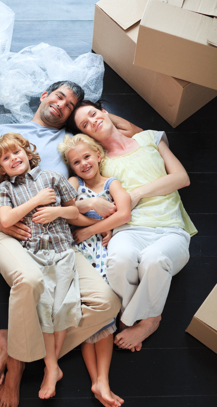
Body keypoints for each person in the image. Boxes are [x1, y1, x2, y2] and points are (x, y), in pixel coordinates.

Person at [0, 81, 134, 407]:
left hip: (56, 237)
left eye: (71, 104)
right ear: (45, 96)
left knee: (107, 304)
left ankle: (13, 345)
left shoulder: (68, 144)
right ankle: (16, 371)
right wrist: (3, 219)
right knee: (27, 280)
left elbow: (126, 132)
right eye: (60, 96)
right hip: (8, 231)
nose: (63, 104)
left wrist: (94, 210)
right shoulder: (4, 132)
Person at [66, 99, 197, 353]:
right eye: (85, 124)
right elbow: (80, 193)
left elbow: (182, 178)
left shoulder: (150, 138)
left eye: (94, 114)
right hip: (128, 229)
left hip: (170, 229)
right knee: (118, 260)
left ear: (105, 112)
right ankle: (138, 310)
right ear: (86, 135)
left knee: (154, 259)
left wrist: (136, 194)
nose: (93, 121)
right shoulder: (97, 161)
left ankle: (146, 320)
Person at [0, 132, 82, 399]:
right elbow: (5, 220)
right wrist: (38, 201)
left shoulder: (52, 177)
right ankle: (52, 367)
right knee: (43, 309)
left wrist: (57, 211)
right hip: (35, 255)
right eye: (6, 158)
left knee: (63, 306)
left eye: (17, 152)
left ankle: (52, 368)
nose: (13, 158)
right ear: (0, 168)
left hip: (62, 250)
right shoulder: (5, 189)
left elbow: (75, 212)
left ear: (28, 153)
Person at [58, 133, 132, 407]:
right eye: (76, 162)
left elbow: (124, 214)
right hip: (78, 254)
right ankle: (98, 380)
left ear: (98, 155)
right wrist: (89, 207)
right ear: (72, 167)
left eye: (87, 156)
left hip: (101, 251)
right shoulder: (75, 184)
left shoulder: (112, 184)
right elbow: (64, 209)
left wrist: (92, 228)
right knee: (91, 313)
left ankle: (102, 380)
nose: (83, 163)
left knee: (106, 317)